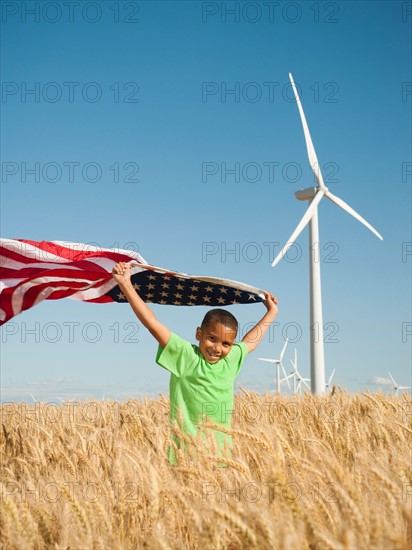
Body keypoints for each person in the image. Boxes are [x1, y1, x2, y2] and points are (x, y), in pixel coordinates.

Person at [112, 262, 279, 464]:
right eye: (212, 338)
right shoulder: (186, 356)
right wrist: (126, 285)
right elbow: (153, 325)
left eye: (226, 344)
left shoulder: (231, 359)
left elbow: (250, 342)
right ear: (198, 333)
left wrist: (271, 312)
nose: (217, 348)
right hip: (185, 455)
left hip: (222, 457)